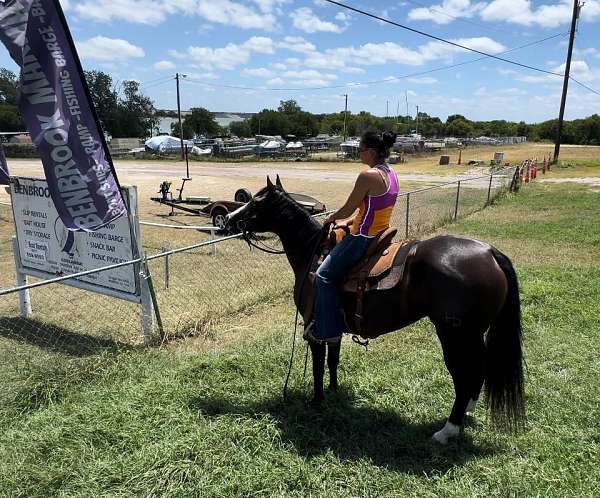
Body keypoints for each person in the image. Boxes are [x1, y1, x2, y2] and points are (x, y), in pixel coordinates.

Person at [304, 130, 399, 343]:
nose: (359, 154)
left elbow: (348, 208)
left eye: (361, 150)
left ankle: (327, 331)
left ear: (372, 152)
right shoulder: (391, 173)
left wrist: (332, 218)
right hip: (381, 230)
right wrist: (348, 222)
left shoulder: (368, 176)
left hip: (363, 237)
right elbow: (373, 207)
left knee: (323, 276)